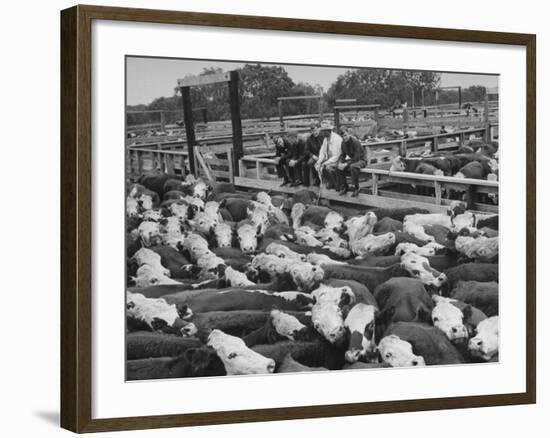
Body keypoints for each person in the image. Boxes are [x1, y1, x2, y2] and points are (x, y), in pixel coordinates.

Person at [335, 127, 367, 197]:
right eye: (342, 136)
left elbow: (357, 157)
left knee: (353, 166)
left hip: (361, 160)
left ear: (349, 134)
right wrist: (340, 163)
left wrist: (346, 164)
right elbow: (343, 155)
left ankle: (356, 187)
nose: (344, 137)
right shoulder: (343, 143)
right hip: (353, 160)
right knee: (338, 167)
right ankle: (344, 186)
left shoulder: (355, 142)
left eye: (345, 135)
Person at [315, 124, 342, 190]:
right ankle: (328, 182)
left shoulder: (337, 139)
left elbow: (336, 156)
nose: (322, 133)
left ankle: (337, 185)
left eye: (323, 131)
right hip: (330, 159)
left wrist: (325, 163)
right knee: (317, 165)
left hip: (339, 159)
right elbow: (322, 152)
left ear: (328, 131)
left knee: (328, 167)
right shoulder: (326, 139)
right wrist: (319, 161)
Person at [302, 122, 325, 187]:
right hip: (315, 156)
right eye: (313, 131)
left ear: (318, 129)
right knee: (310, 162)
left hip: (323, 155)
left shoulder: (323, 137)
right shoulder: (310, 139)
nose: (315, 132)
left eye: (315, 130)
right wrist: (312, 155)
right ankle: (316, 178)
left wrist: (321, 156)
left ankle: (322, 179)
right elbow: (306, 150)